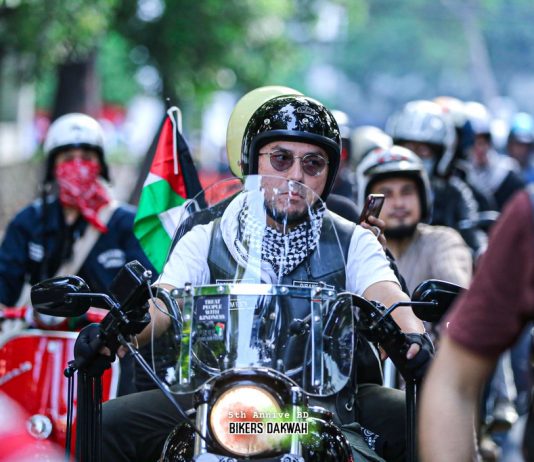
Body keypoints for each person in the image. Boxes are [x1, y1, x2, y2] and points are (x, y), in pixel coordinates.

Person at [98, 93, 432, 462]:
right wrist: (121, 328)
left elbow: (385, 291)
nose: (296, 176)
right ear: (252, 161)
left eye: (313, 163)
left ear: (329, 173)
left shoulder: (353, 240)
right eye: (281, 159)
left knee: (431, 417)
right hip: (214, 402)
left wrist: (413, 334)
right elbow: (163, 302)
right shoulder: (206, 235)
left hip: (327, 404)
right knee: (104, 423)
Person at [0, 112, 156, 394]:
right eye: (68, 157)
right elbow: (4, 289)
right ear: (53, 165)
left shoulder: (126, 224)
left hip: (109, 355)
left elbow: (150, 293)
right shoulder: (29, 222)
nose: (78, 165)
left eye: (86, 156)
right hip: (40, 355)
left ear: (101, 164)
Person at [419, 187, 534, 462]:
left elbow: (455, 275)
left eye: (406, 192)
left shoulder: (447, 233)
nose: (397, 204)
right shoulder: (528, 215)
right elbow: (454, 380)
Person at [356, 145, 472, 295]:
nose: (399, 203)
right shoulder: (356, 250)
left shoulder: (442, 241)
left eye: (407, 192)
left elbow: (457, 294)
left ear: (423, 197)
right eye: (387, 193)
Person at [385, 99, 487, 258]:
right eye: (408, 148)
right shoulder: (377, 185)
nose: (414, 157)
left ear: (440, 155)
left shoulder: (454, 193)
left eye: (424, 150)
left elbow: (473, 236)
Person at [463, 101, 524, 211]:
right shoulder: (460, 176)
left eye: (483, 141)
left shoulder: (508, 175)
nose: (479, 148)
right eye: (473, 142)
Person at [506, 112, 534, 184]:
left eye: (526, 146)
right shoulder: (501, 173)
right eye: (518, 145)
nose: (522, 150)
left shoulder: (532, 175)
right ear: (510, 145)